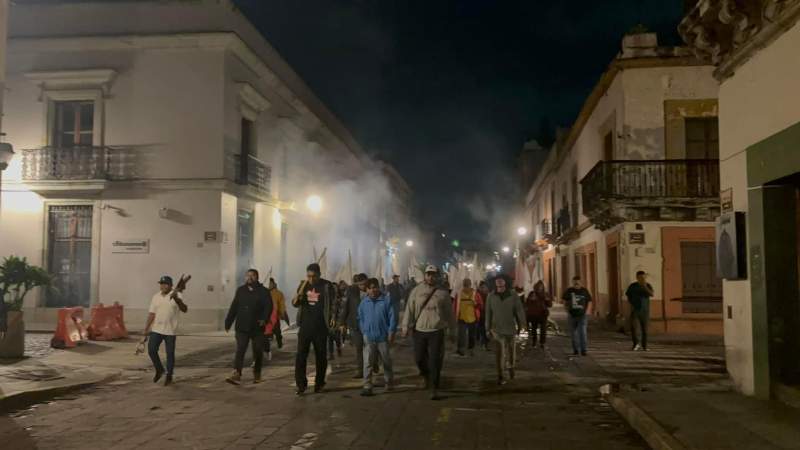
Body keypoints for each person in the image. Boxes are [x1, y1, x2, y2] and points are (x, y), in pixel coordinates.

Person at [401, 265, 454, 400]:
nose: (431, 277)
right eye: (428, 274)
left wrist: (453, 330)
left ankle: (434, 387)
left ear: (437, 276)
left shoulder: (443, 293)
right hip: (419, 330)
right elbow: (409, 309)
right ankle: (426, 376)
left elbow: (449, 313)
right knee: (419, 358)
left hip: (436, 330)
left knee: (435, 360)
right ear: (425, 275)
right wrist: (405, 325)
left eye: (433, 274)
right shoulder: (416, 291)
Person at [293, 263, 337, 395]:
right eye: (309, 276)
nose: (311, 279)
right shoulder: (303, 285)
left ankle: (319, 383)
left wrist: (333, 318)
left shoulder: (327, 286)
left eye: (314, 276)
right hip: (305, 327)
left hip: (320, 327)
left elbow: (334, 304)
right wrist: (299, 294)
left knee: (321, 357)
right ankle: (301, 385)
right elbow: (295, 303)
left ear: (319, 274)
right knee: (301, 356)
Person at [225, 269, 272, 385]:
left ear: (257, 277)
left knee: (257, 351)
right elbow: (234, 306)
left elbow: (268, 307)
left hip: (257, 327)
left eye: (252, 275)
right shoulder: (240, 290)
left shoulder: (263, 291)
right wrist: (228, 322)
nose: (249, 277)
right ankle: (236, 373)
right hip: (242, 326)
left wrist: (264, 319)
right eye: (247, 275)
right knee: (240, 349)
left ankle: (257, 374)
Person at [143, 275, 188, 386]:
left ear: (170, 285)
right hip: (156, 329)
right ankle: (159, 369)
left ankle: (169, 375)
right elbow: (151, 313)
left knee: (170, 354)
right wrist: (146, 328)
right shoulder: (156, 296)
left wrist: (177, 299)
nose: (163, 286)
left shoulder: (177, 294)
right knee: (152, 350)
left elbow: (184, 309)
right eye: (161, 284)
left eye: (165, 284)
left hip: (170, 331)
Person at [358, 278, 397, 396]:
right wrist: (364, 330)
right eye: (370, 288)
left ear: (378, 287)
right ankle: (367, 385)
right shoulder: (364, 303)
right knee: (367, 362)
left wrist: (391, 332)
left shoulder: (386, 300)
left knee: (386, 361)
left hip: (382, 337)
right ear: (367, 290)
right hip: (369, 337)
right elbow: (360, 318)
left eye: (374, 287)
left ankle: (389, 383)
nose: (372, 290)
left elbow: (392, 317)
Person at [485, 275, 525, 385]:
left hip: (510, 328)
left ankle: (511, 366)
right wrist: (487, 329)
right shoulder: (491, 296)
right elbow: (488, 313)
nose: (499, 281)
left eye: (501, 279)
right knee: (499, 353)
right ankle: (500, 375)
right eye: (497, 280)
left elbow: (519, 310)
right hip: (496, 329)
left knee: (511, 351)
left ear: (505, 282)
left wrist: (523, 323)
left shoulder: (513, 295)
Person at [338, 273, 369, 378]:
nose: (363, 286)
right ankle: (360, 370)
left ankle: (373, 363)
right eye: (360, 284)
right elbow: (345, 308)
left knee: (371, 348)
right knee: (359, 348)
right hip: (355, 325)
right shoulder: (351, 291)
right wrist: (342, 323)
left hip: (369, 325)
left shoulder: (372, 291)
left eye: (364, 284)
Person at [562, 276, 592, 356]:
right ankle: (575, 349)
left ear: (581, 282)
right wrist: (566, 310)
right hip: (572, 315)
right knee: (573, 334)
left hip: (582, 315)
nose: (576, 284)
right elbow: (564, 300)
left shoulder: (584, 291)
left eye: (578, 282)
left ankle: (583, 350)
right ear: (572, 282)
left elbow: (589, 301)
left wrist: (587, 311)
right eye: (575, 282)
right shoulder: (569, 291)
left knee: (583, 333)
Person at [626, 271, 654, 351]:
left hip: (645, 311)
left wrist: (644, 286)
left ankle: (645, 346)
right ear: (637, 277)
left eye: (643, 277)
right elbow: (628, 295)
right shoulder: (633, 286)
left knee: (644, 329)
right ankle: (636, 344)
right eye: (640, 277)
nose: (642, 279)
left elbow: (651, 294)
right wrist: (632, 303)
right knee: (633, 327)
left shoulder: (647, 285)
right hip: (635, 310)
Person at [454, 279, 479, 357]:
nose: (466, 285)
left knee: (471, 335)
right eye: (465, 284)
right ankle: (461, 350)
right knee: (461, 335)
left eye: (467, 284)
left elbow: (480, 304)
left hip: (472, 317)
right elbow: (455, 305)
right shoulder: (459, 293)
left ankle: (470, 350)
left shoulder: (475, 293)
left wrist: (476, 304)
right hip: (462, 317)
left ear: (470, 284)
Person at [525, 280, 552, 349]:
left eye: (541, 287)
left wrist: (547, 300)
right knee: (534, 329)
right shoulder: (532, 293)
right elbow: (527, 303)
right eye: (538, 287)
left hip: (543, 314)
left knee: (543, 329)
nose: (540, 288)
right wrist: (531, 299)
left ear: (543, 287)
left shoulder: (545, 294)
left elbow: (550, 305)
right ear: (536, 287)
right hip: (534, 315)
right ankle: (534, 342)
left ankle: (542, 343)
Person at [268, 278, 288, 349]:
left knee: (277, 331)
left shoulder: (278, 293)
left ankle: (279, 343)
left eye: (270, 283)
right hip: (266, 316)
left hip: (275, 316)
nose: (269, 285)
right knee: (267, 333)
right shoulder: (264, 292)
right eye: (268, 284)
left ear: (274, 284)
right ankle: (267, 348)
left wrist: (282, 313)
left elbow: (282, 304)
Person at [476, 280, 490, 350]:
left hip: (485, 315)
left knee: (484, 329)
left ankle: (484, 343)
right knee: (483, 329)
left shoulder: (488, 295)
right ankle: (484, 344)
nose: (486, 289)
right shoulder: (478, 295)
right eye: (484, 287)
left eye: (486, 287)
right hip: (481, 315)